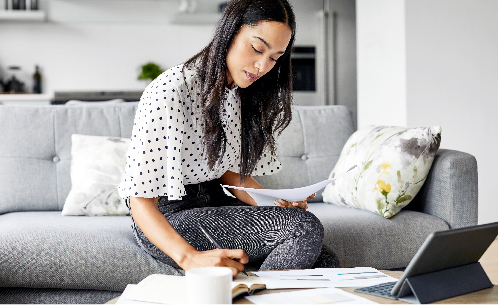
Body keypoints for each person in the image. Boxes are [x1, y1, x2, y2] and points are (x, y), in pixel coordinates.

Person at [119, 0, 339, 278]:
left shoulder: (238, 92)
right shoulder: (171, 90)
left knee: (325, 261)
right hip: (168, 218)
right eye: (257, 49)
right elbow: (140, 200)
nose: (262, 65)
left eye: (274, 58)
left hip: (212, 203)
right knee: (304, 227)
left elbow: (233, 177)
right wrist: (189, 258)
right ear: (230, 32)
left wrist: (277, 203)